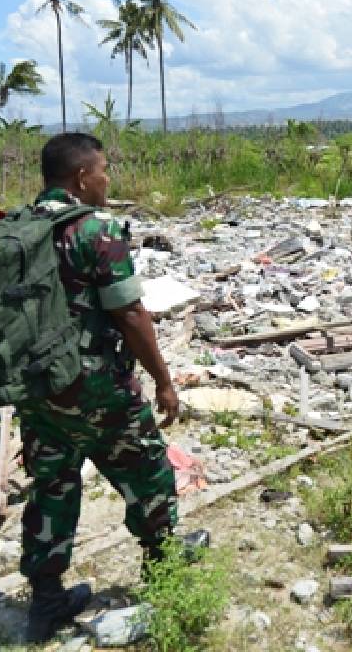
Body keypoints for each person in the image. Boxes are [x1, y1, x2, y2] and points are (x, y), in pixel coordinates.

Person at [19, 132, 208, 641]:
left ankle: (46, 601)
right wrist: (163, 380)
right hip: (96, 386)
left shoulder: (19, 226)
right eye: (102, 170)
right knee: (146, 470)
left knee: (52, 487)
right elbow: (128, 312)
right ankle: (164, 566)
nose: (107, 179)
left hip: (38, 389)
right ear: (82, 177)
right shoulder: (93, 228)